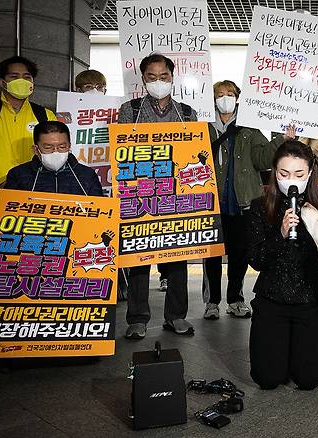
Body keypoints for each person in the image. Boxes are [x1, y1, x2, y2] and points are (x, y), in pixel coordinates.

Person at [117, 54, 198, 340]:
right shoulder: (130, 110)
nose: (158, 82)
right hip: (139, 195)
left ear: (172, 78)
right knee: (139, 257)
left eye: (163, 77)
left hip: (177, 196)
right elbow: (122, 152)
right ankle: (137, 318)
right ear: (143, 80)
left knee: (178, 257)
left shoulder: (187, 114)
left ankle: (176, 316)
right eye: (152, 77)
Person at [202, 80, 295, 320]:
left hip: (243, 202)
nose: (225, 98)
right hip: (210, 201)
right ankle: (212, 301)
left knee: (240, 252)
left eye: (230, 94)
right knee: (211, 253)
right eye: (220, 94)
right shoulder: (202, 127)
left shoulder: (249, 127)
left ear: (238, 97)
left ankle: (235, 299)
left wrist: (280, 139)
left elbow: (263, 160)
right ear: (212, 98)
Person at [248, 140, 318, 390]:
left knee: (310, 379)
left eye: (299, 173)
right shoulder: (259, 206)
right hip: (272, 300)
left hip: (311, 301)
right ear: (275, 173)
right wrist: (281, 235)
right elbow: (256, 260)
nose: (292, 179)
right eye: (284, 173)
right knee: (267, 378)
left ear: (310, 173)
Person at [0, 56, 56, 189]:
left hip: (32, 190)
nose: (21, 81)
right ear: (2, 82)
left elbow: (53, 154)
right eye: (14, 76)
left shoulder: (45, 115)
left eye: (27, 77)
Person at [4, 120, 102, 195]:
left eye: (62, 147)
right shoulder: (18, 175)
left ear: (69, 146)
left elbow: (99, 211)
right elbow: (7, 210)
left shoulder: (87, 175)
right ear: (35, 149)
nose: (56, 151)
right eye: (48, 147)